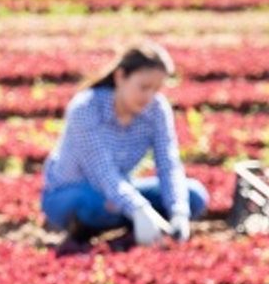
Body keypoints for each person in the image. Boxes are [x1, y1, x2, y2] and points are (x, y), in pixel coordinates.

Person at [42, 42, 208, 255]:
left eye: (156, 89)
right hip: (71, 193)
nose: (149, 96)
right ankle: (98, 230)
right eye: (143, 87)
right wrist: (139, 209)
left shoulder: (156, 110)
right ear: (120, 76)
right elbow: (102, 173)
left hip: (119, 193)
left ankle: (134, 229)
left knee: (193, 194)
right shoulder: (85, 108)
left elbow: (168, 164)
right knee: (95, 204)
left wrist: (178, 212)